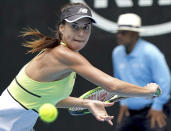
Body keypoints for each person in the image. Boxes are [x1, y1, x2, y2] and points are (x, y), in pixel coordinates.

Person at [0, 3, 160, 131]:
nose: (81, 33)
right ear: (61, 28)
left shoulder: (59, 53)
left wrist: (86, 103)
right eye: (75, 26)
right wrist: (149, 91)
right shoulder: (63, 55)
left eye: (86, 27)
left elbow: (47, 99)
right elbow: (112, 86)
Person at [112, 13, 171, 131]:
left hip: (151, 110)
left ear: (135, 34)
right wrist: (123, 104)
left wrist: (157, 107)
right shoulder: (116, 53)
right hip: (129, 111)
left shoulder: (151, 52)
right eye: (118, 32)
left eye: (123, 32)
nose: (119, 35)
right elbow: (118, 81)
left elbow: (165, 82)